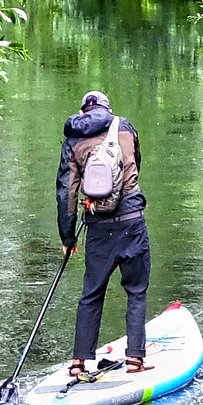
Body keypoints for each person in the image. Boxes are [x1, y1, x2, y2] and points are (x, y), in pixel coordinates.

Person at [56, 89, 152, 376]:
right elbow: (136, 166)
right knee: (136, 290)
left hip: (98, 226)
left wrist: (68, 237)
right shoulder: (125, 127)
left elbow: (66, 192)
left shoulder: (73, 139)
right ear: (107, 109)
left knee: (91, 293)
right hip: (132, 219)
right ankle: (135, 359)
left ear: (83, 111)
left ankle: (78, 362)